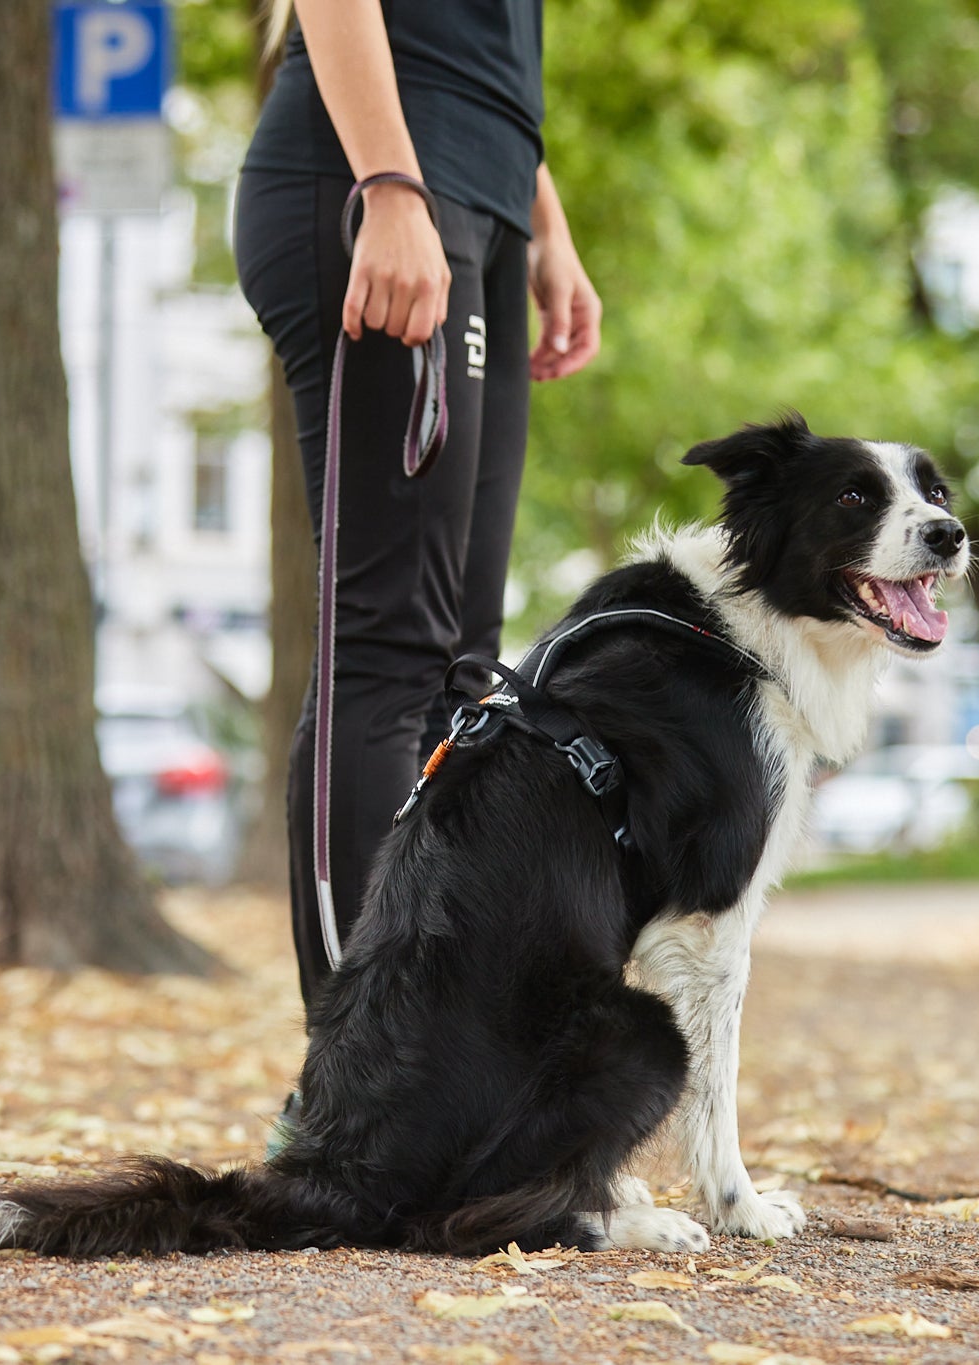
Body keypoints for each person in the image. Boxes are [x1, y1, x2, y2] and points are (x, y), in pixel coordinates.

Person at [234, 0, 602, 1012]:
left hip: (477, 199)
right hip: (379, 180)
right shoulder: (387, 183)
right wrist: (390, 186)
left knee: (459, 669)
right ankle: (359, 1085)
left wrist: (545, 225)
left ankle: (431, 1073)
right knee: (388, 649)